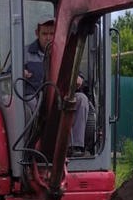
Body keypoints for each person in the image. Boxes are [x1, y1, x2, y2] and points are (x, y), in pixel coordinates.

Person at [23, 18, 90, 157]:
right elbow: (7, 75)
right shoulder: (25, 53)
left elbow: (80, 76)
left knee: (82, 99)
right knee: (30, 102)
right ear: (37, 33)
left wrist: (79, 80)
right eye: (44, 33)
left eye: (51, 34)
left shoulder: (65, 53)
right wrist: (19, 72)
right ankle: (33, 146)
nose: (48, 37)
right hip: (36, 98)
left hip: (60, 97)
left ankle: (75, 147)